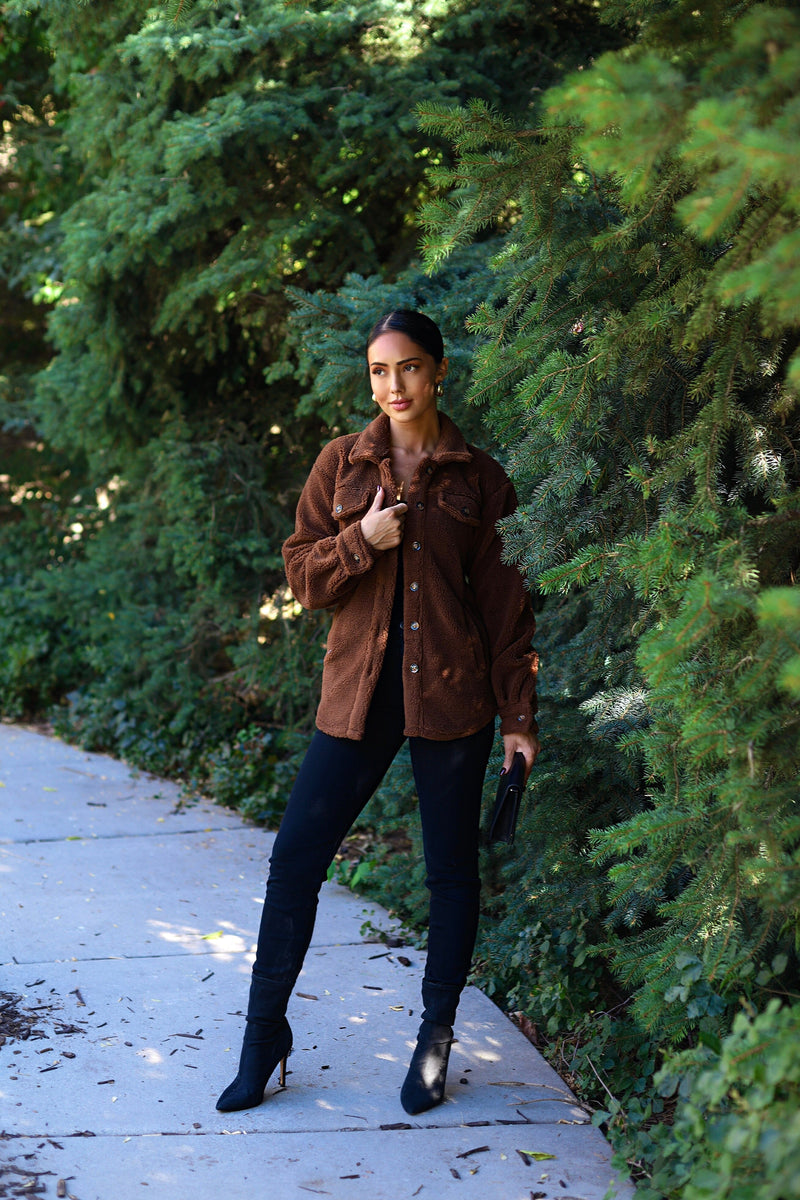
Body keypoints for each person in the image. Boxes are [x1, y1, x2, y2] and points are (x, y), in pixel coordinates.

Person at [217, 310, 539, 1116]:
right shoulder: (342, 464)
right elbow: (303, 578)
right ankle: (263, 1036)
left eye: (409, 367)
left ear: (439, 372)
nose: (393, 385)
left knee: (451, 874)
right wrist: (362, 538)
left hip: (454, 700)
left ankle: (435, 1041)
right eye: (378, 370)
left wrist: (518, 719)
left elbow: (507, 610)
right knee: (295, 862)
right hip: (357, 698)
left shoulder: (480, 480)